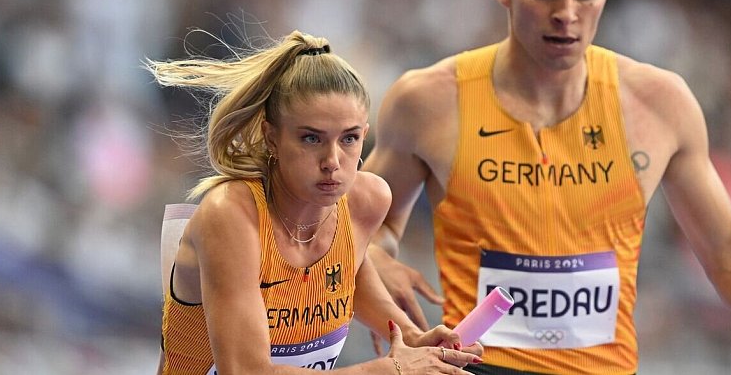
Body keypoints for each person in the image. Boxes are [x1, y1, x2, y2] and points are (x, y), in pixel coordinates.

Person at [362, 0, 731, 374]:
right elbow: (361, 231)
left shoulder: (657, 104)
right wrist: (380, 255)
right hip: (478, 366)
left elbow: (728, 254)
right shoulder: (428, 102)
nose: (567, 14)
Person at [146, 30, 483, 374]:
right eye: (311, 138)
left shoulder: (367, 200)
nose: (332, 161)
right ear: (271, 136)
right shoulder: (230, 215)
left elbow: (349, 273)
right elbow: (245, 371)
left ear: (364, 135)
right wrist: (391, 369)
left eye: (349, 138)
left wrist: (411, 337)